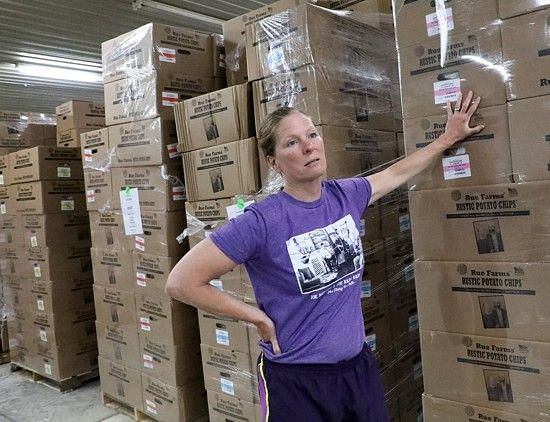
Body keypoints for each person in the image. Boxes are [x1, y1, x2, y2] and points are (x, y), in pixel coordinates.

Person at [166, 91, 484, 421]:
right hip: (298, 382)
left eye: (312, 135)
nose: (308, 147)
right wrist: (254, 316)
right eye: (291, 143)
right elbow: (181, 282)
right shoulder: (263, 221)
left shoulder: (345, 196)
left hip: (356, 370)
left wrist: (449, 137)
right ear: (274, 162)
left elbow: (396, 174)